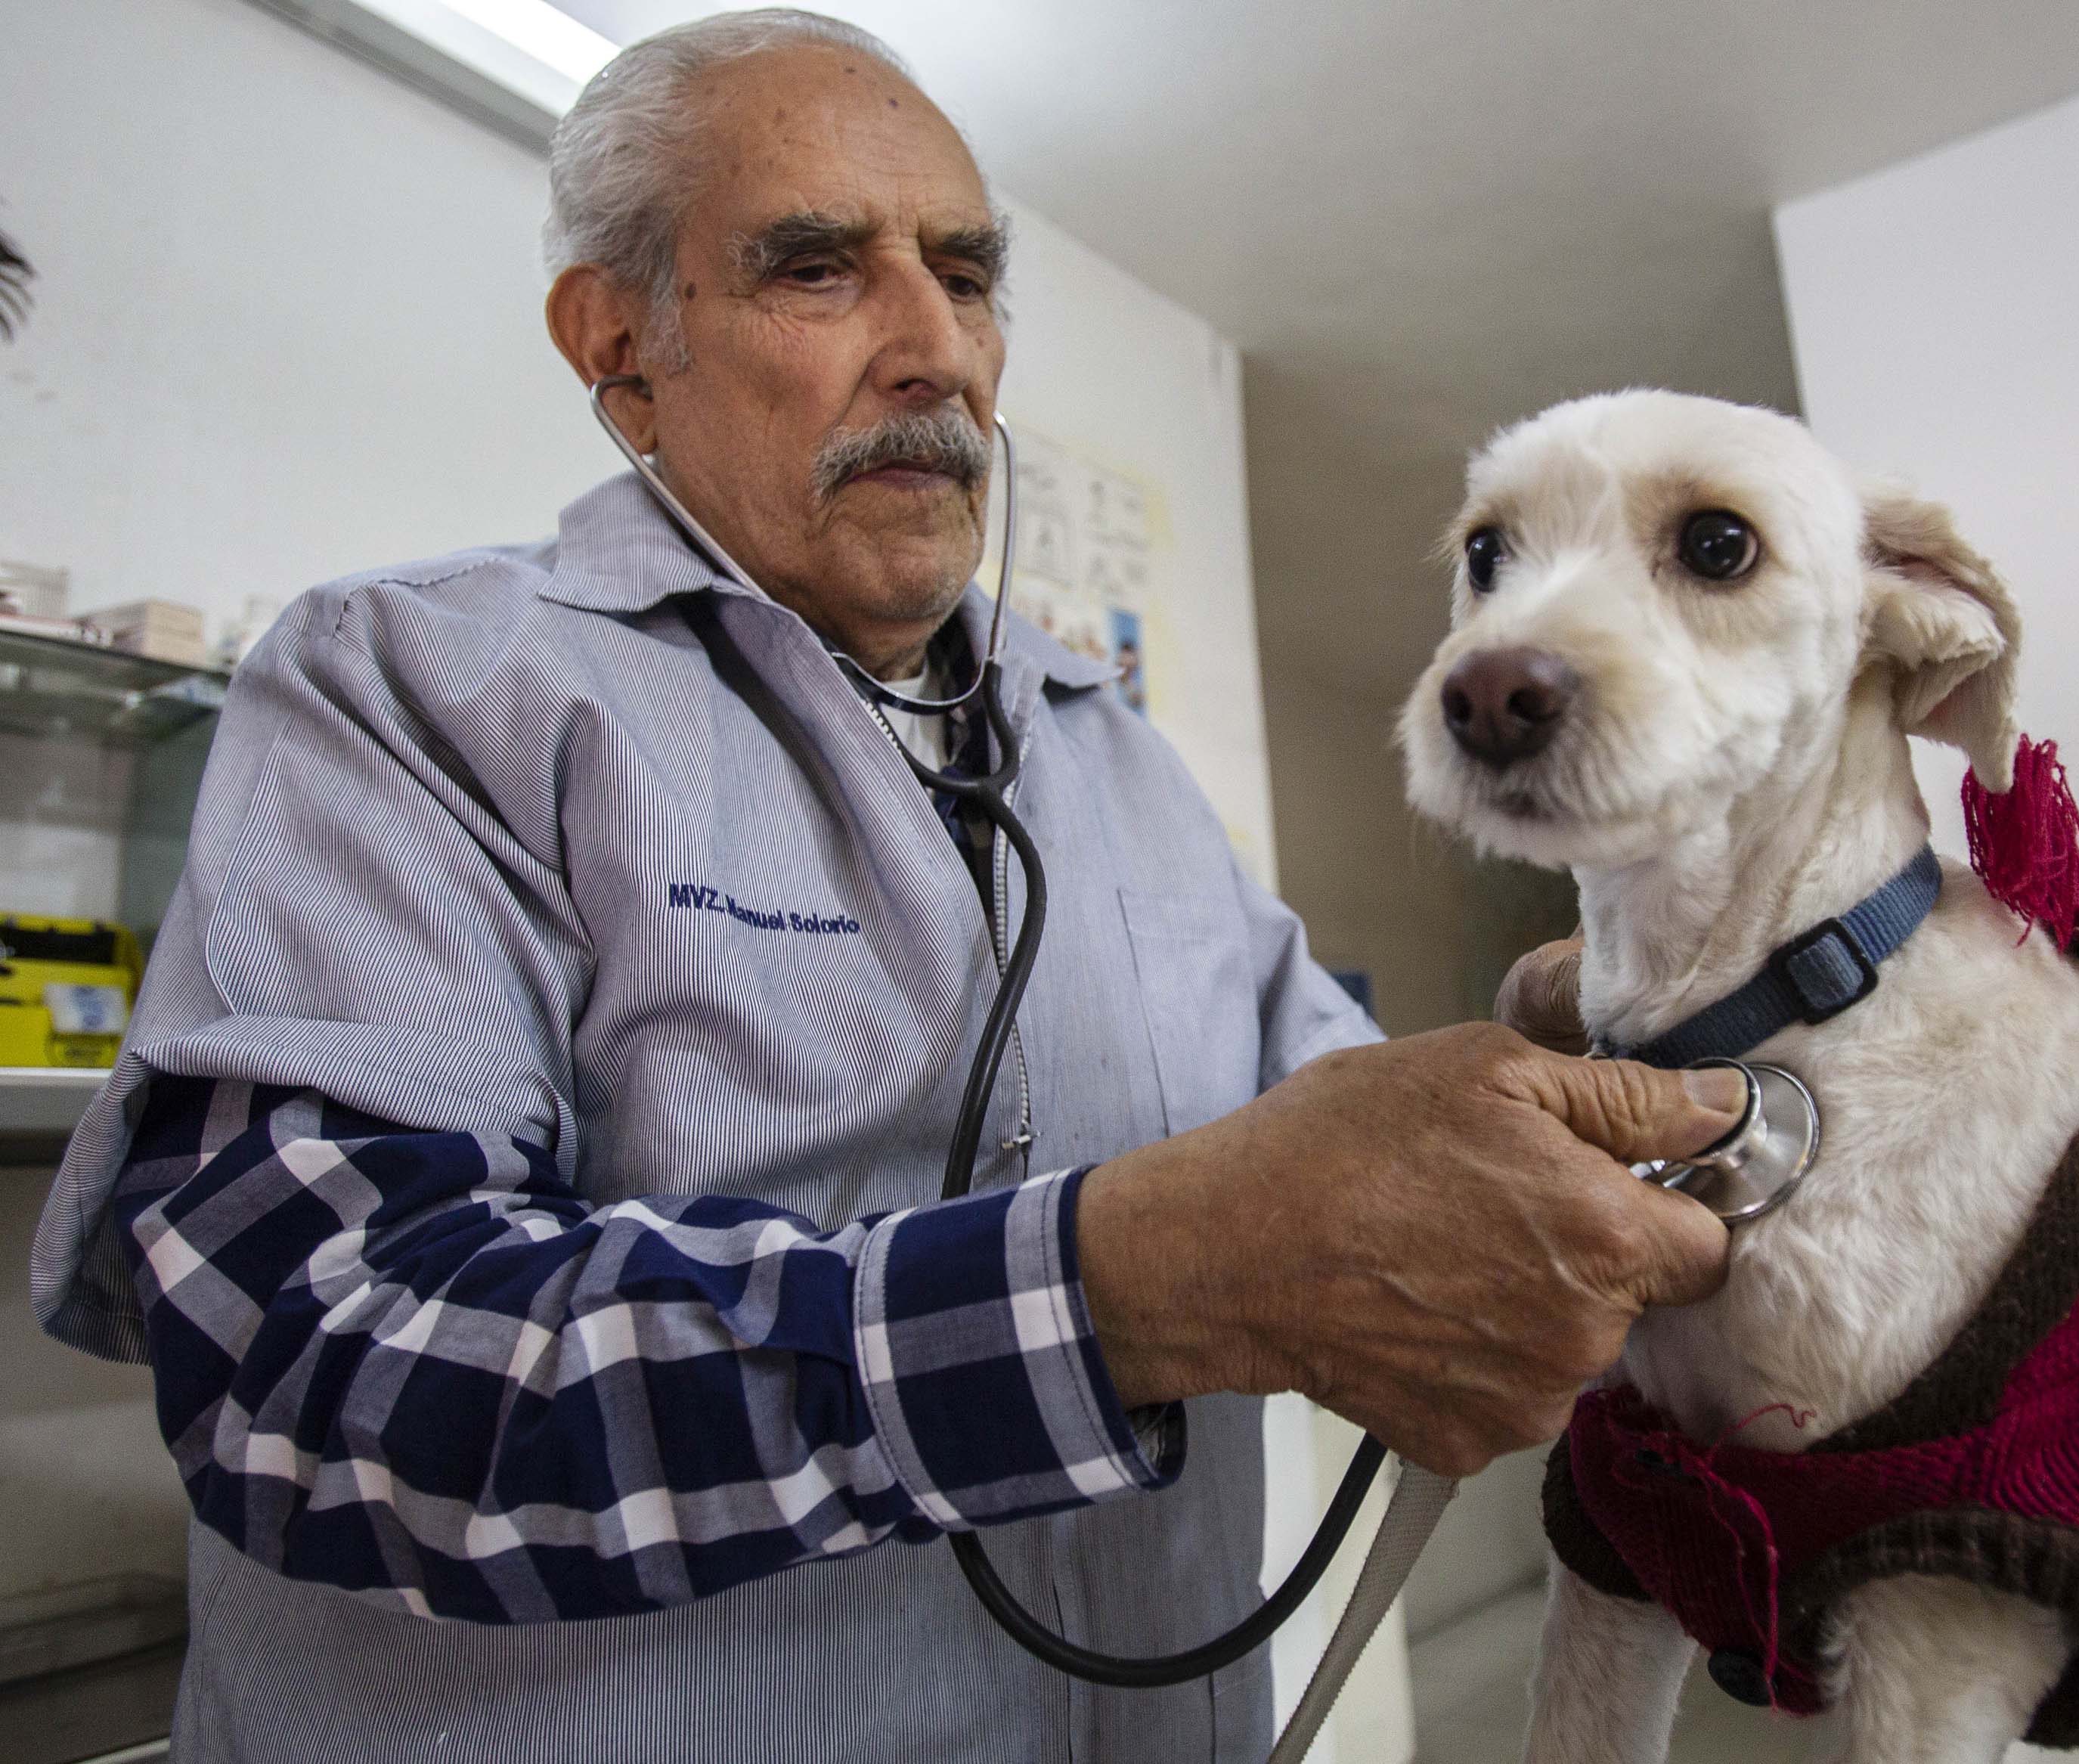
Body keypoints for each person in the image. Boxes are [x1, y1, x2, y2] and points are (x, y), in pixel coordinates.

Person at [28, 12, 1731, 1761]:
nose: (936, 349)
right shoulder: (411, 688)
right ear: (620, 343)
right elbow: (328, 1373)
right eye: (819, 269)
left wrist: (1625, 1047)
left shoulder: (1113, 757)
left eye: (970, 275)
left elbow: (1346, 1130)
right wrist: (1123, 1290)